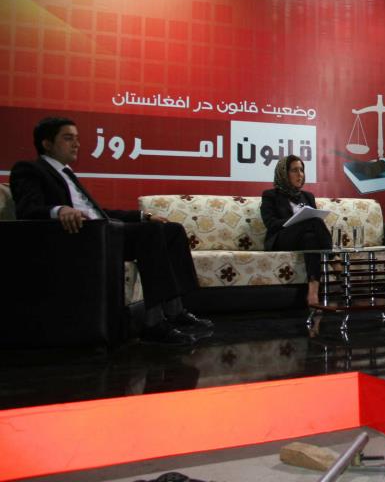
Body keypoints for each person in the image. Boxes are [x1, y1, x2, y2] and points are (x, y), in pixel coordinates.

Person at [10, 117, 212, 345]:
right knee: (150, 233)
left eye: (77, 139)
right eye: (68, 138)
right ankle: (154, 324)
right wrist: (59, 210)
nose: (76, 144)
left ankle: (176, 310)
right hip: (80, 238)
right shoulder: (30, 169)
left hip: (104, 232)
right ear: (47, 143)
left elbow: (99, 213)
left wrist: (142, 216)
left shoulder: (67, 173)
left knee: (171, 230)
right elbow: (27, 210)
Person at [260, 155, 335, 308]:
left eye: (301, 170)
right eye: (294, 170)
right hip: (282, 239)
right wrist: (295, 221)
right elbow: (271, 224)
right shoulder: (270, 196)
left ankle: (313, 291)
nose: (300, 174)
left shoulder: (308, 196)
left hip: (303, 239)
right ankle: (334, 258)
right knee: (313, 220)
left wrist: (302, 222)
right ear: (283, 173)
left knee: (310, 239)